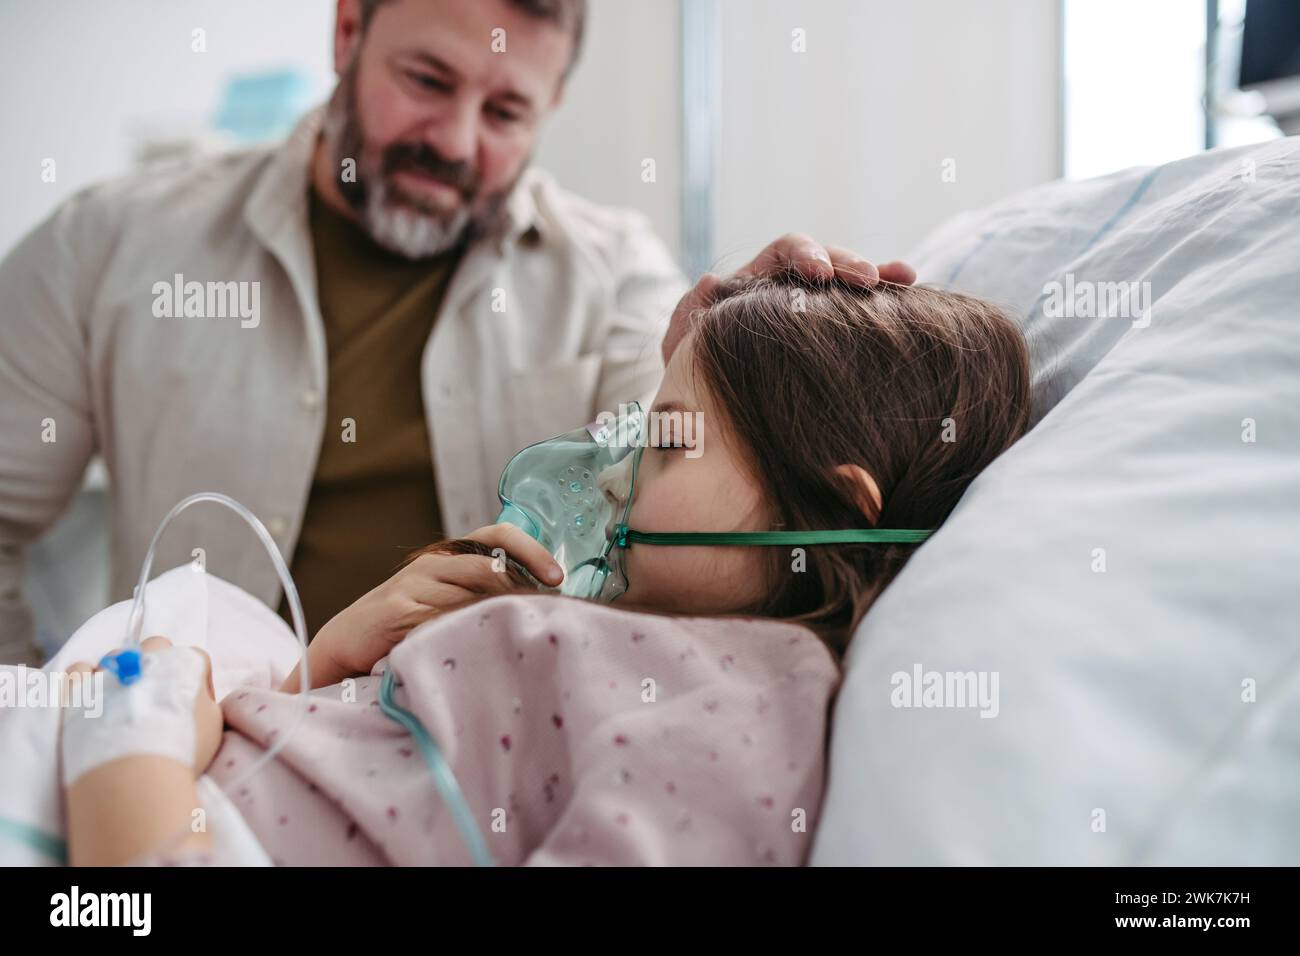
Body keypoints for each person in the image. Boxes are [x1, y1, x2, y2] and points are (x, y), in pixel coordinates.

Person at [0, 0, 910, 665]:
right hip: (168, 764)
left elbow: (662, 482)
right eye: (427, 81)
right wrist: (43, 738)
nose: (457, 139)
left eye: (506, 112)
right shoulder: (110, 245)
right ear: (347, 32)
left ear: (550, 107)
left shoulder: (616, 276)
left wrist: (724, 364)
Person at [59, 271, 1030, 866]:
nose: (609, 476)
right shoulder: (635, 634)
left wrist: (129, 752)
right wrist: (328, 664)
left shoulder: (740, 712)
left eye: (665, 442)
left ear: (822, 515)